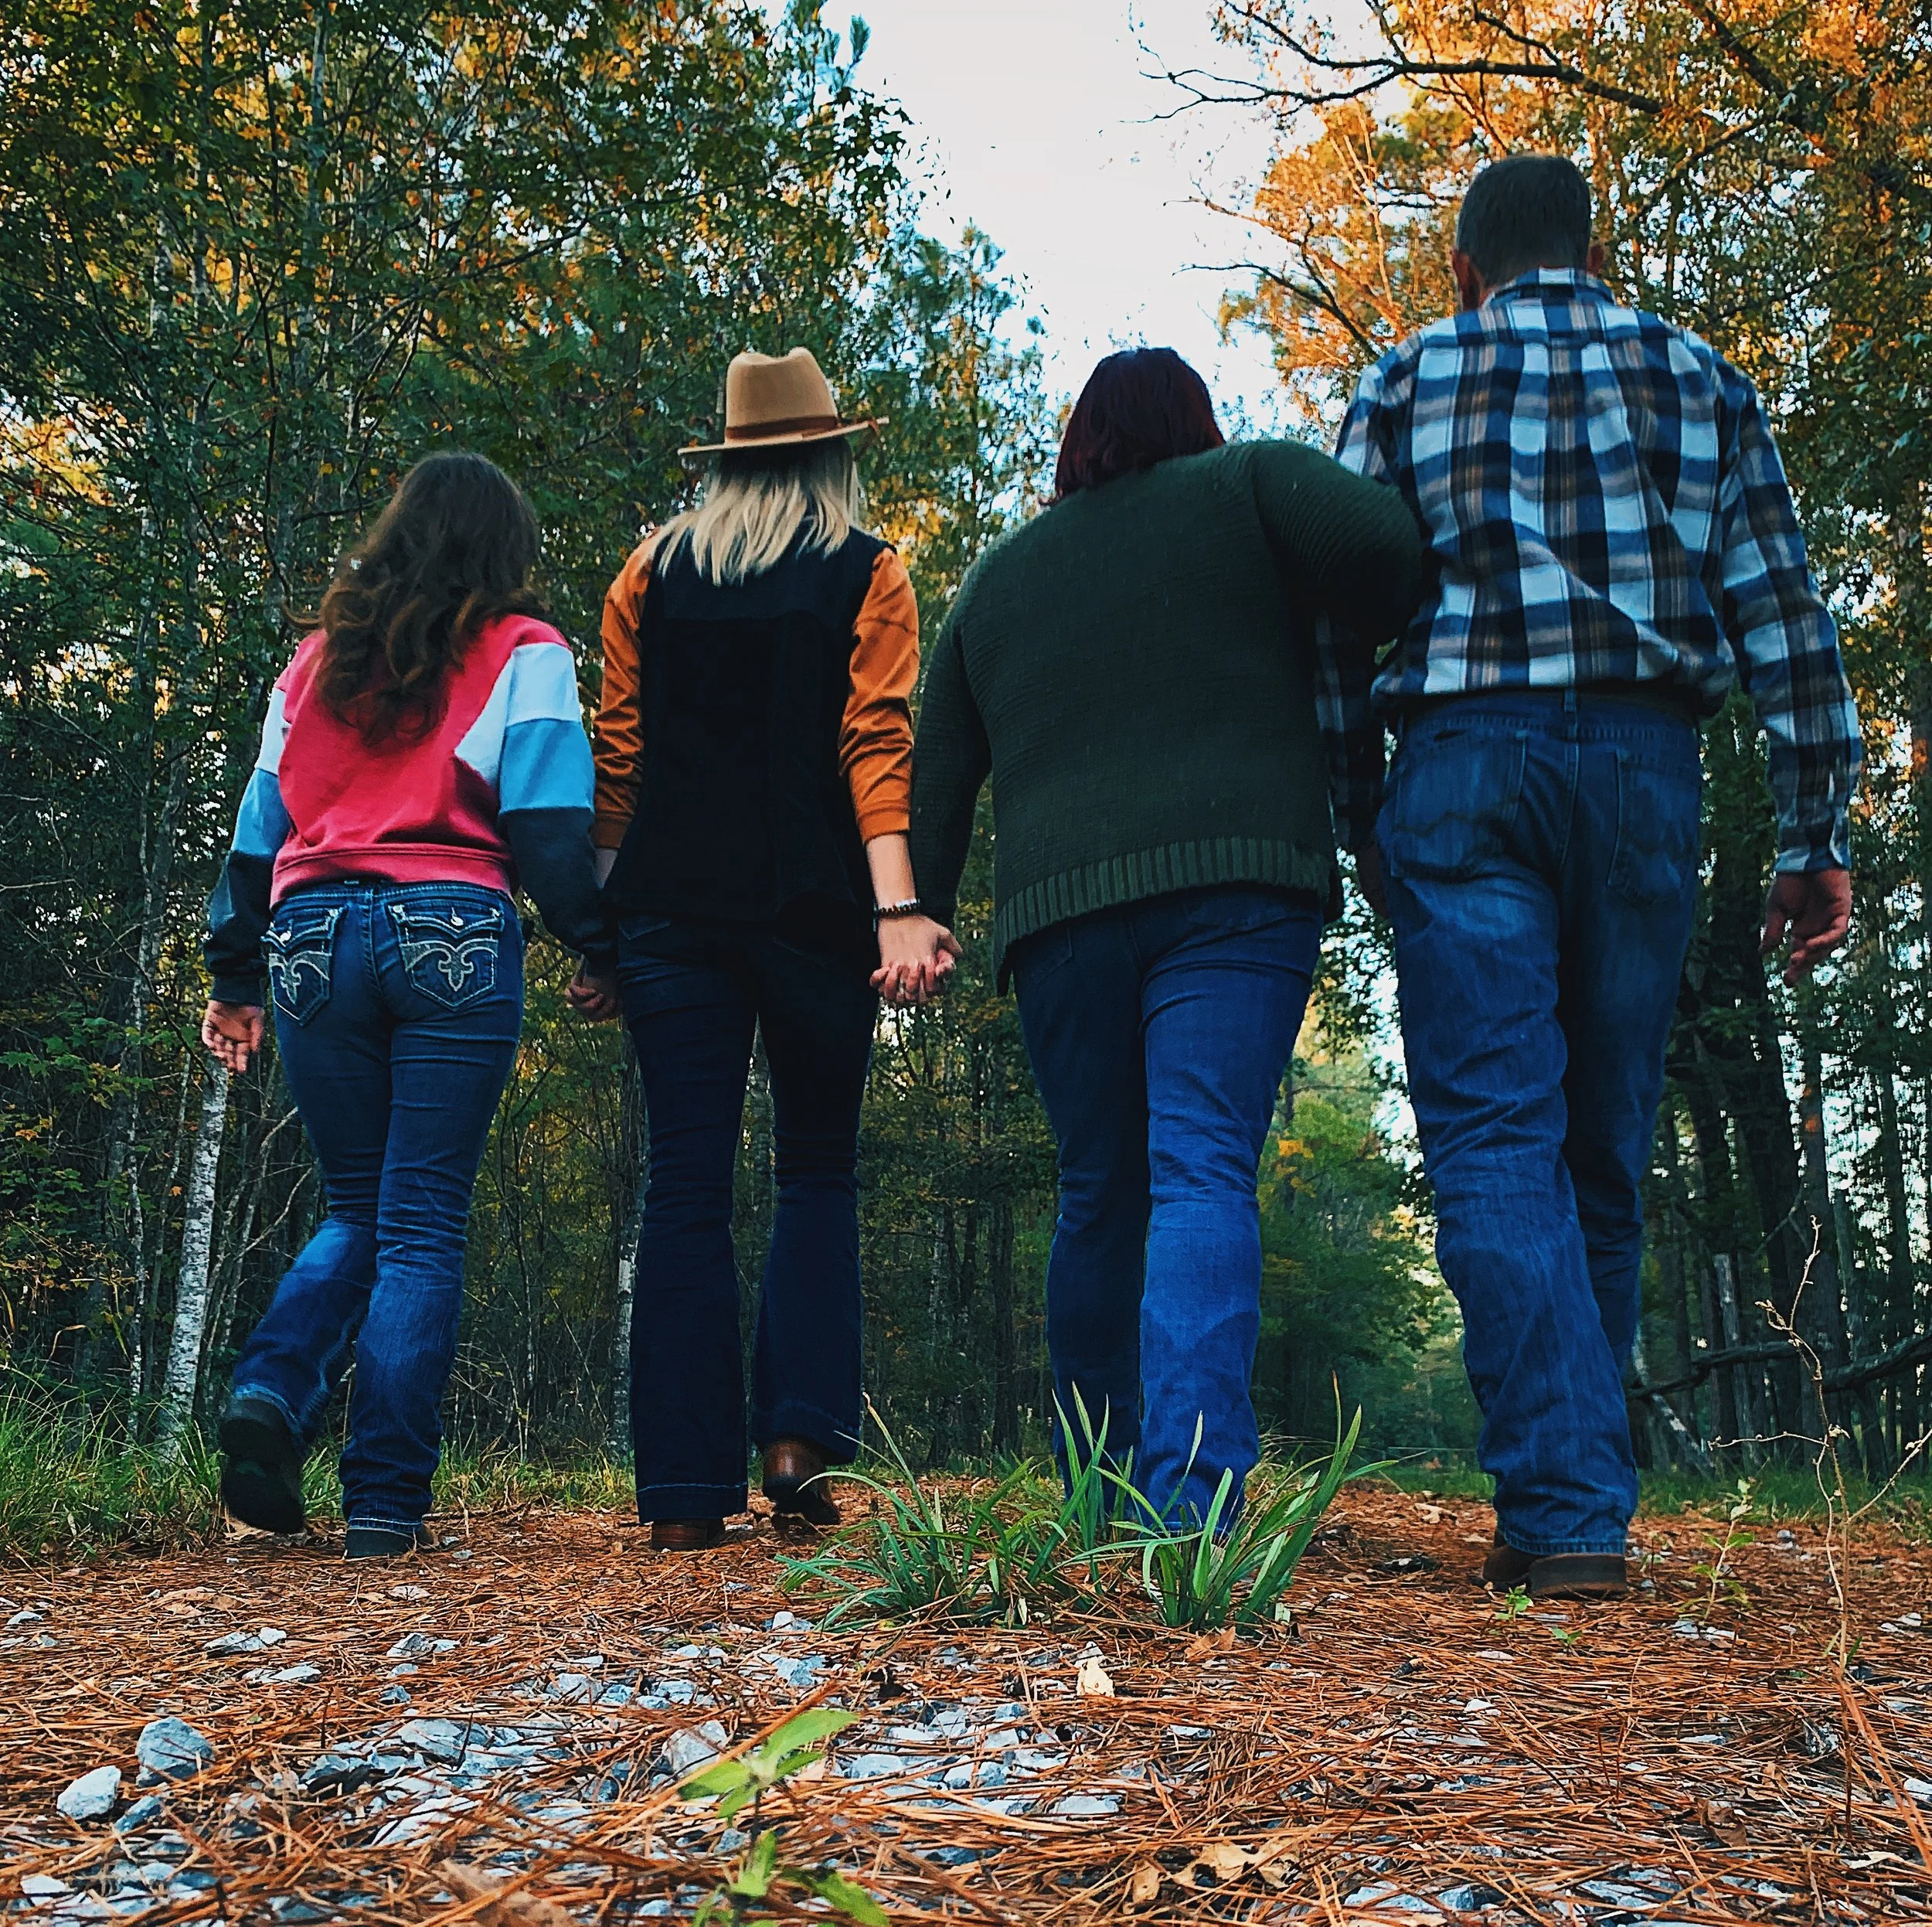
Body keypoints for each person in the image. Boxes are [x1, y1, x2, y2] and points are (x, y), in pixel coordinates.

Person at [1318, 154, 1860, 1600]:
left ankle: (1563, 1505)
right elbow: (1788, 619)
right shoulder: (1702, 380)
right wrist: (1811, 833)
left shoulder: (1402, 383)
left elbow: (1333, 629)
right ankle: (1577, 1507)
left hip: (1464, 764)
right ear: (1596, 252)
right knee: (1604, 1147)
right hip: (1642, 768)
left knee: (1496, 1138)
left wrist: (1360, 814)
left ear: (1466, 268)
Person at [905, 347, 1423, 1526]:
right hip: (1238, 885)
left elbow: (937, 767)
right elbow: (1389, 556)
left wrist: (921, 909)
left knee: (1099, 1193)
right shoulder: (1251, 486)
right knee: (1201, 1170)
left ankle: (1096, 1503)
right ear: (1196, 421)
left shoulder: (999, 576)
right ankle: (1191, 1510)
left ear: (1079, 440)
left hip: (1059, 922)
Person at [575, 347, 956, 1552]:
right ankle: (796, 1441)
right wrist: (898, 909)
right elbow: (874, 745)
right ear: (832, 455)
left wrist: (601, 930)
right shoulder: (869, 570)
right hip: (815, 909)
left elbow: (620, 760)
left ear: (726, 461)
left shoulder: (649, 572)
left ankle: (685, 1498)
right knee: (817, 1168)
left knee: (684, 1182)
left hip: (669, 910)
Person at [202, 453, 614, 1558]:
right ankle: (382, 1506)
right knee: (421, 1221)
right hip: (451, 928)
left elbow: (257, 830)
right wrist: (605, 945)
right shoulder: (526, 651)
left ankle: (271, 1390)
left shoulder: (313, 665)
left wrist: (234, 979)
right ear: (504, 549)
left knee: (355, 1207)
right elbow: (549, 828)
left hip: (310, 938)